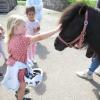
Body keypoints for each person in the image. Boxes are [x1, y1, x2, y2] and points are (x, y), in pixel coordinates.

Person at [1, 14, 61, 100]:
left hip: (13, 66)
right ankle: (20, 97)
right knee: (22, 86)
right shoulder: (23, 39)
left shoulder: (10, 38)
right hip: (20, 69)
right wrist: (55, 30)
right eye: (24, 26)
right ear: (15, 27)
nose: (26, 28)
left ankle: (18, 93)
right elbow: (39, 37)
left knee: (18, 82)